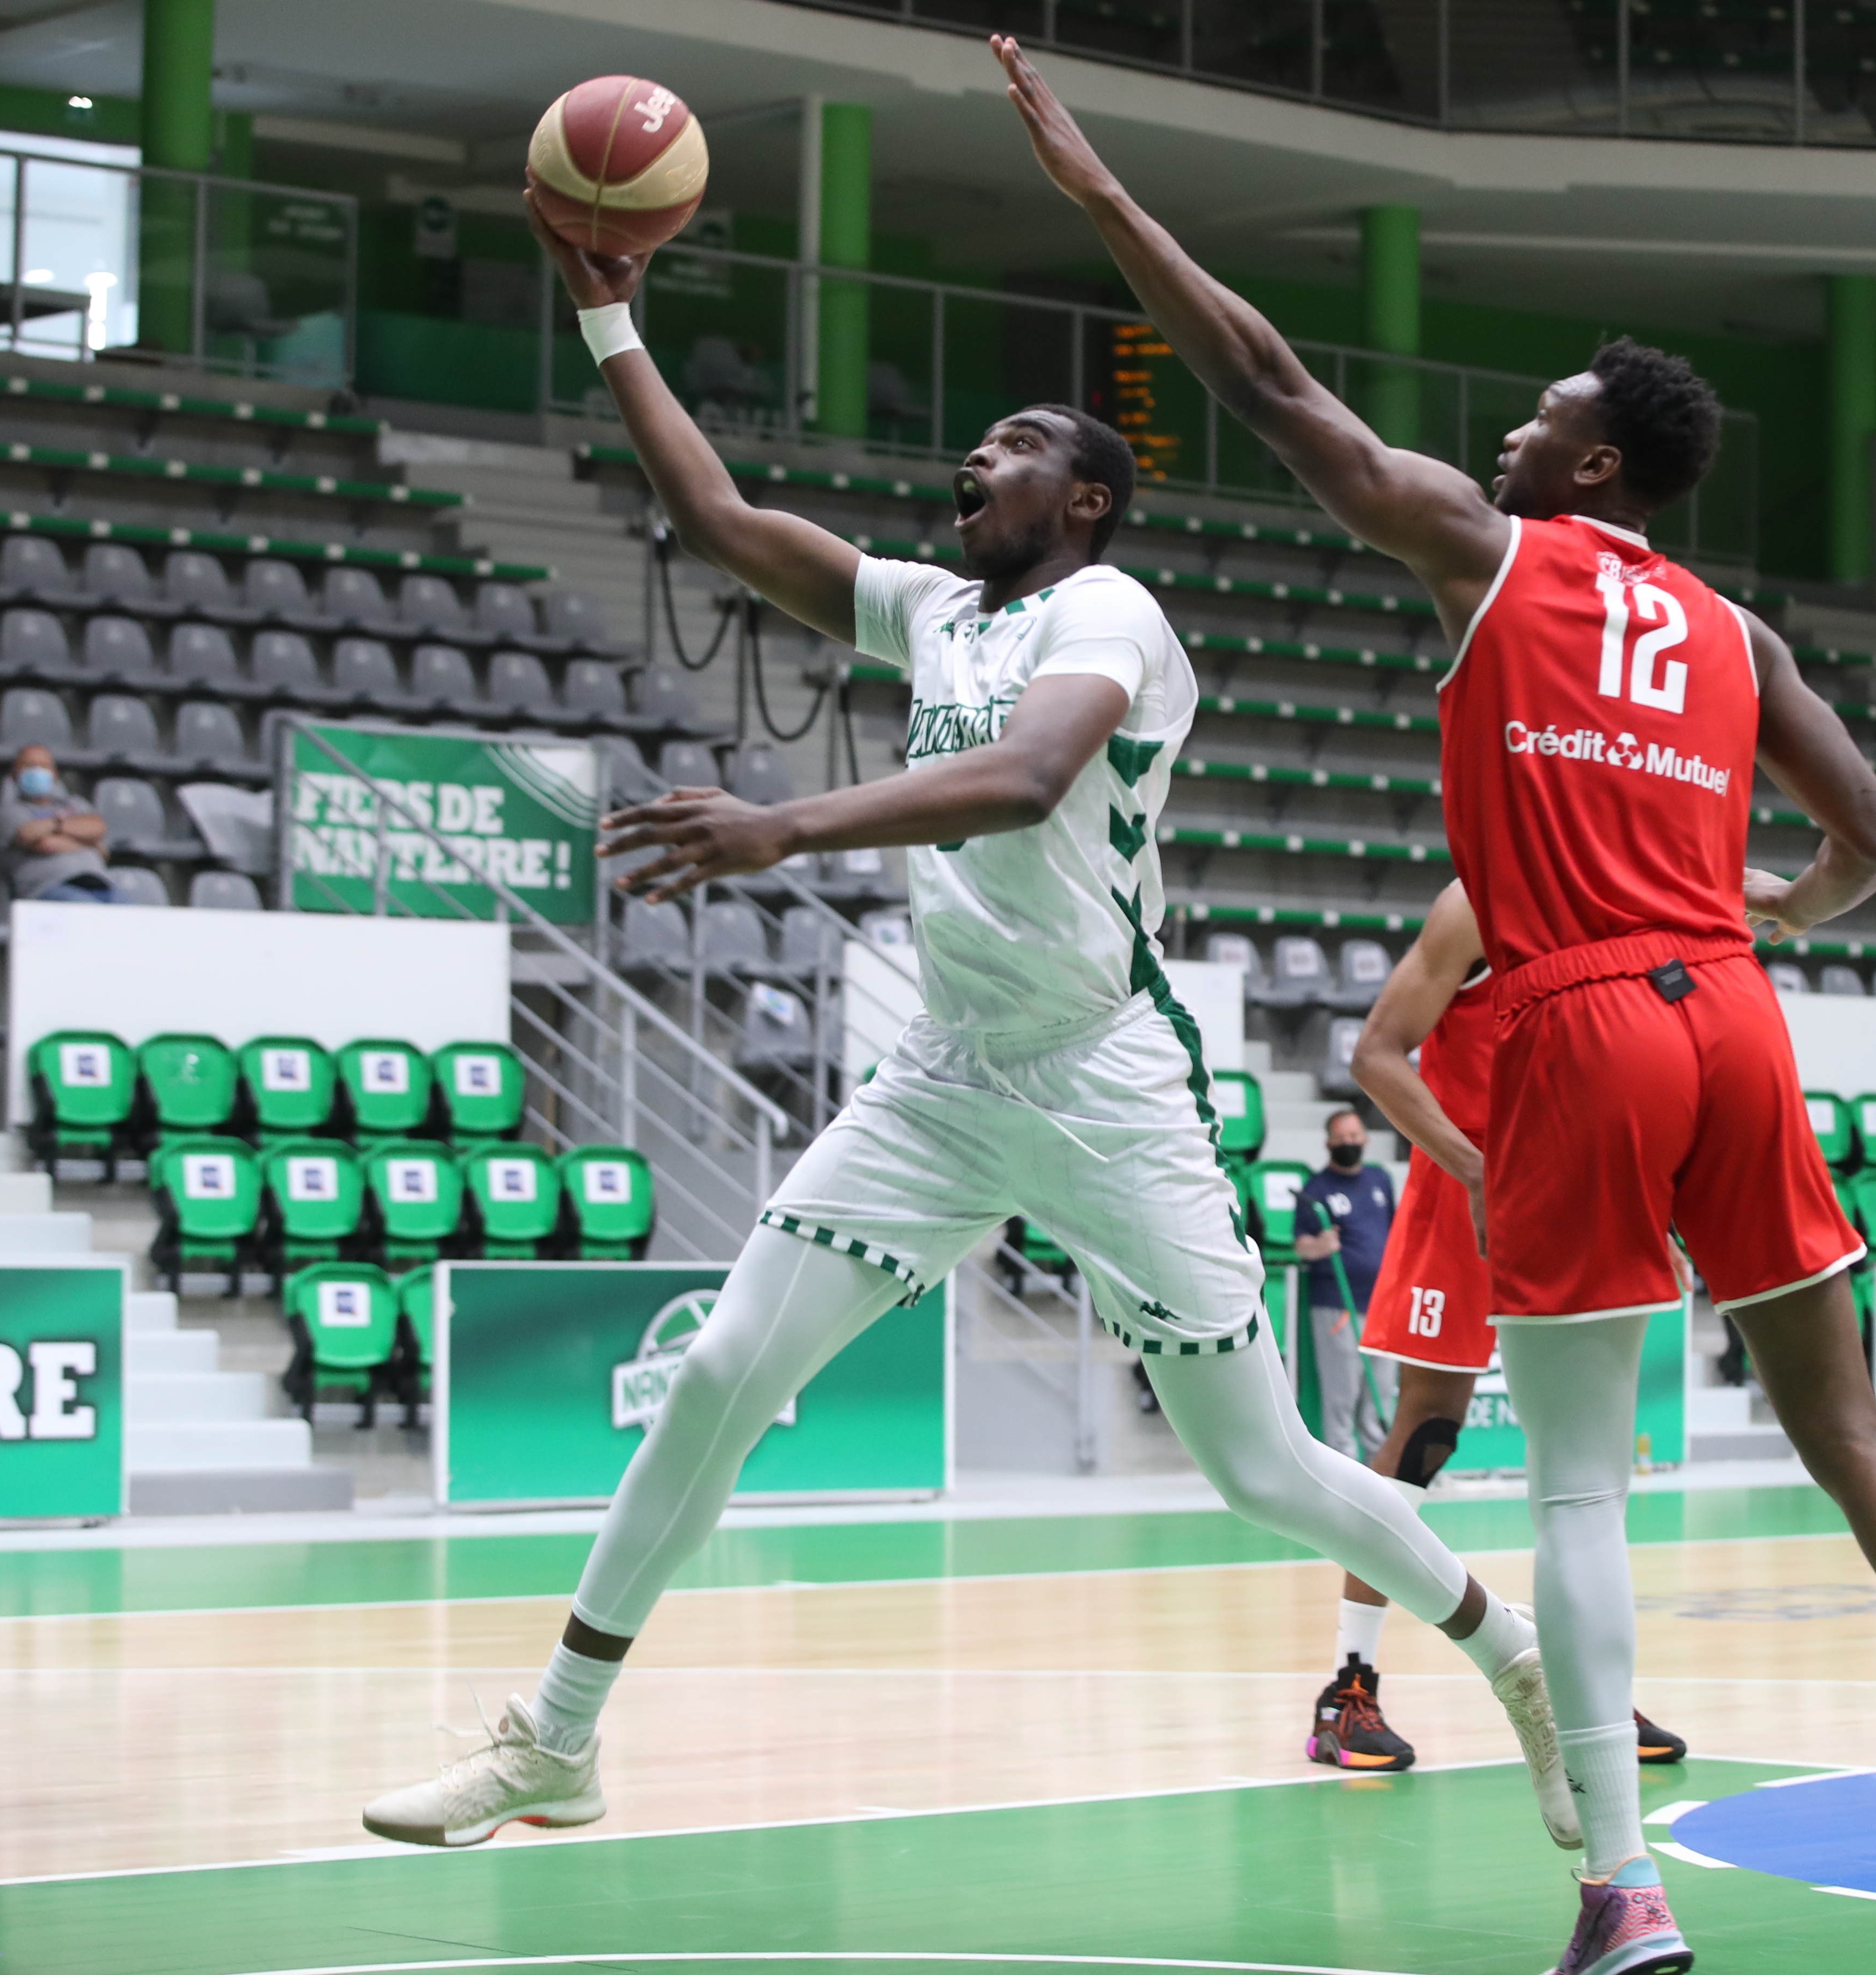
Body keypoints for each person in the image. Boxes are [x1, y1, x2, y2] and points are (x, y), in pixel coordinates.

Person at [992, 40, 1876, 1974]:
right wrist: (1763, 900)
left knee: (1575, 1475)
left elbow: (1266, 386)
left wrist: (1101, 199)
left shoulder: (1496, 555)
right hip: (1738, 1015)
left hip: (1578, 1020)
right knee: (1846, 1430)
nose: (1508, 428)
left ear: (1591, 465)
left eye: (1538, 412)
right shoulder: (1735, 632)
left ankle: (1623, 1885)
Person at [359, 188, 1577, 1853]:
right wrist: (610, 317)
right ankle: (555, 1739)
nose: (969, 467)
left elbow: (1024, 781)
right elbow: (717, 516)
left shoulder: (1112, 616)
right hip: (941, 1075)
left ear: (1084, 497)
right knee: (719, 1370)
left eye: (1006, 448)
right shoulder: (935, 610)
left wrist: (783, 826)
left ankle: (1513, 1661)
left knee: (1264, 1469)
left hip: (1105, 1079)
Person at [1311, 878, 1689, 1778]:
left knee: (1585, 1464)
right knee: (1424, 1441)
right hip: (1464, 1183)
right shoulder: (1476, 899)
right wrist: (1480, 1171)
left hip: (1569, 1194)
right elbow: (1377, 1057)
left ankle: (1588, 1693)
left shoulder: (1618, 894)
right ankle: (1346, 1688)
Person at [1292, 1107, 1392, 1457]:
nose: (1349, 1143)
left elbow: (1393, 1233)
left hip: (1381, 1305)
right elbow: (1302, 1245)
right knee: (1343, 1392)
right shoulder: (1316, 1190)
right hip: (1338, 1305)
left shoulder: (1380, 1180)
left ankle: (1382, 1475)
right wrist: (1321, 1246)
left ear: (1365, 1139)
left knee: (1380, 1390)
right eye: (1341, 1138)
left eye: (1354, 1136)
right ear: (1328, 1143)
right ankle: (1343, 1471)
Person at [5, 744, 115, 903]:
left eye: (43, 767)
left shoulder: (76, 804)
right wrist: (91, 844)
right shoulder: (12, 811)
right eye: (29, 766)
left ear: (55, 775)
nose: (37, 771)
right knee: (90, 912)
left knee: (136, 916)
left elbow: (99, 827)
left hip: (100, 885)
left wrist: (54, 827)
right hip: (48, 889)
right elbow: (45, 844)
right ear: (15, 774)